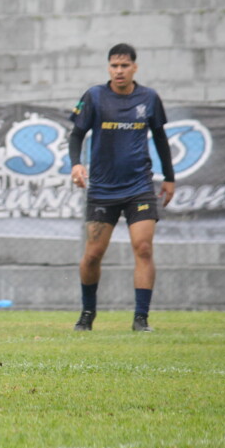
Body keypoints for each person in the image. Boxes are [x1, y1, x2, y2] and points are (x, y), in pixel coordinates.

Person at [67, 44, 175, 333]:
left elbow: (161, 138)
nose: (119, 71)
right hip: (103, 188)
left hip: (139, 186)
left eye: (124, 66)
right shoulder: (94, 96)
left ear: (134, 68)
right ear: (108, 68)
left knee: (143, 248)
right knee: (92, 255)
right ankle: (87, 313)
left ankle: (141, 319)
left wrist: (169, 177)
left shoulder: (149, 98)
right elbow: (77, 134)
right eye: (114, 66)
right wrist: (76, 165)